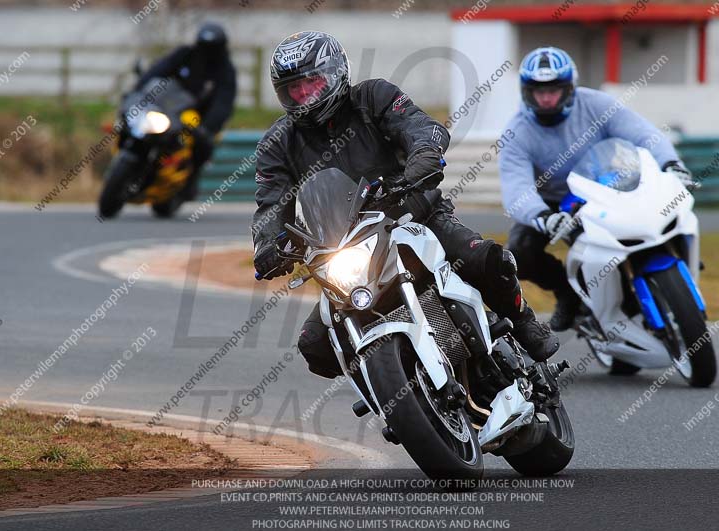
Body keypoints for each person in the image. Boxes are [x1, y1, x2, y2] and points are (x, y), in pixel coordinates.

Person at [251, 31, 560, 379]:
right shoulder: (278, 142)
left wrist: (424, 156)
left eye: (312, 83)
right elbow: (270, 202)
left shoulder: (373, 97)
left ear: (335, 72)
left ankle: (524, 322)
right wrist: (267, 245)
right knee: (315, 346)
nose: (304, 95)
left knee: (485, 259)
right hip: (344, 247)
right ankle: (388, 391)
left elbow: (420, 127)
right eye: (294, 88)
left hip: (412, 215)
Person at [499, 46, 694, 332]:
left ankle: (672, 275)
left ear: (570, 87)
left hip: (606, 189)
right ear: (526, 91)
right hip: (552, 204)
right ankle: (567, 293)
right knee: (519, 253)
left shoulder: (598, 104)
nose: (547, 97)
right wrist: (542, 216)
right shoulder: (516, 133)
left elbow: (644, 134)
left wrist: (671, 164)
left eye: (554, 89)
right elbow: (516, 188)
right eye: (539, 90)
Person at [134, 22, 237, 200]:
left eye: (213, 47)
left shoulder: (225, 70)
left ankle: (190, 180)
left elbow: (224, 102)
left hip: (198, 118)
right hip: (168, 107)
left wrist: (208, 127)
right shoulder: (185, 55)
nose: (208, 51)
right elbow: (159, 70)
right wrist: (138, 90)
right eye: (204, 46)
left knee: (203, 144)